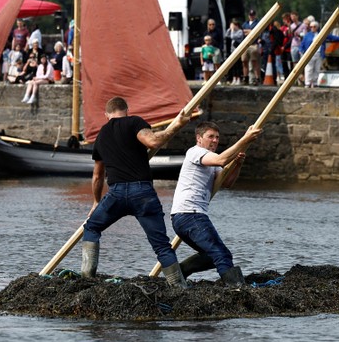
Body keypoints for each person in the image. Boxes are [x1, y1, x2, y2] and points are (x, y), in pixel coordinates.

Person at [81, 97, 191, 288]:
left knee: (91, 228)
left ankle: (87, 279)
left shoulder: (101, 135)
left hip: (115, 194)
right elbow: (153, 141)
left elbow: (98, 176)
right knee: (161, 245)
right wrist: (178, 124)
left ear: (106, 115)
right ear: (126, 110)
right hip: (142, 193)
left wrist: (96, 202)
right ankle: (179, 287)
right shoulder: (134, 122)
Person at [170, 121, 261, 285]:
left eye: (217, 137)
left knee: (212, 255)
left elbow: (226, 183)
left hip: (186, 217)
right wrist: (245, 139)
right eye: (210, 136)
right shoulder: (195, 152)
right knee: (221, 254)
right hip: (190, 214)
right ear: (199, 138)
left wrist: (237, 165)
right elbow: (222, 159)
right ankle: (235, 288)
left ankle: (180, 272)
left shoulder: (210, 161)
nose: (215, 140)